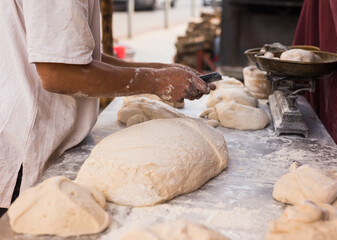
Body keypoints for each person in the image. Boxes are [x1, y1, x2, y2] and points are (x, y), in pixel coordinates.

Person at [0, 0, 215, 214]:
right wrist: (156, 81)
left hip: (36, 137)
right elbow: (59, 73)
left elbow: (74, 54)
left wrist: (161, 70)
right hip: (23, 151)